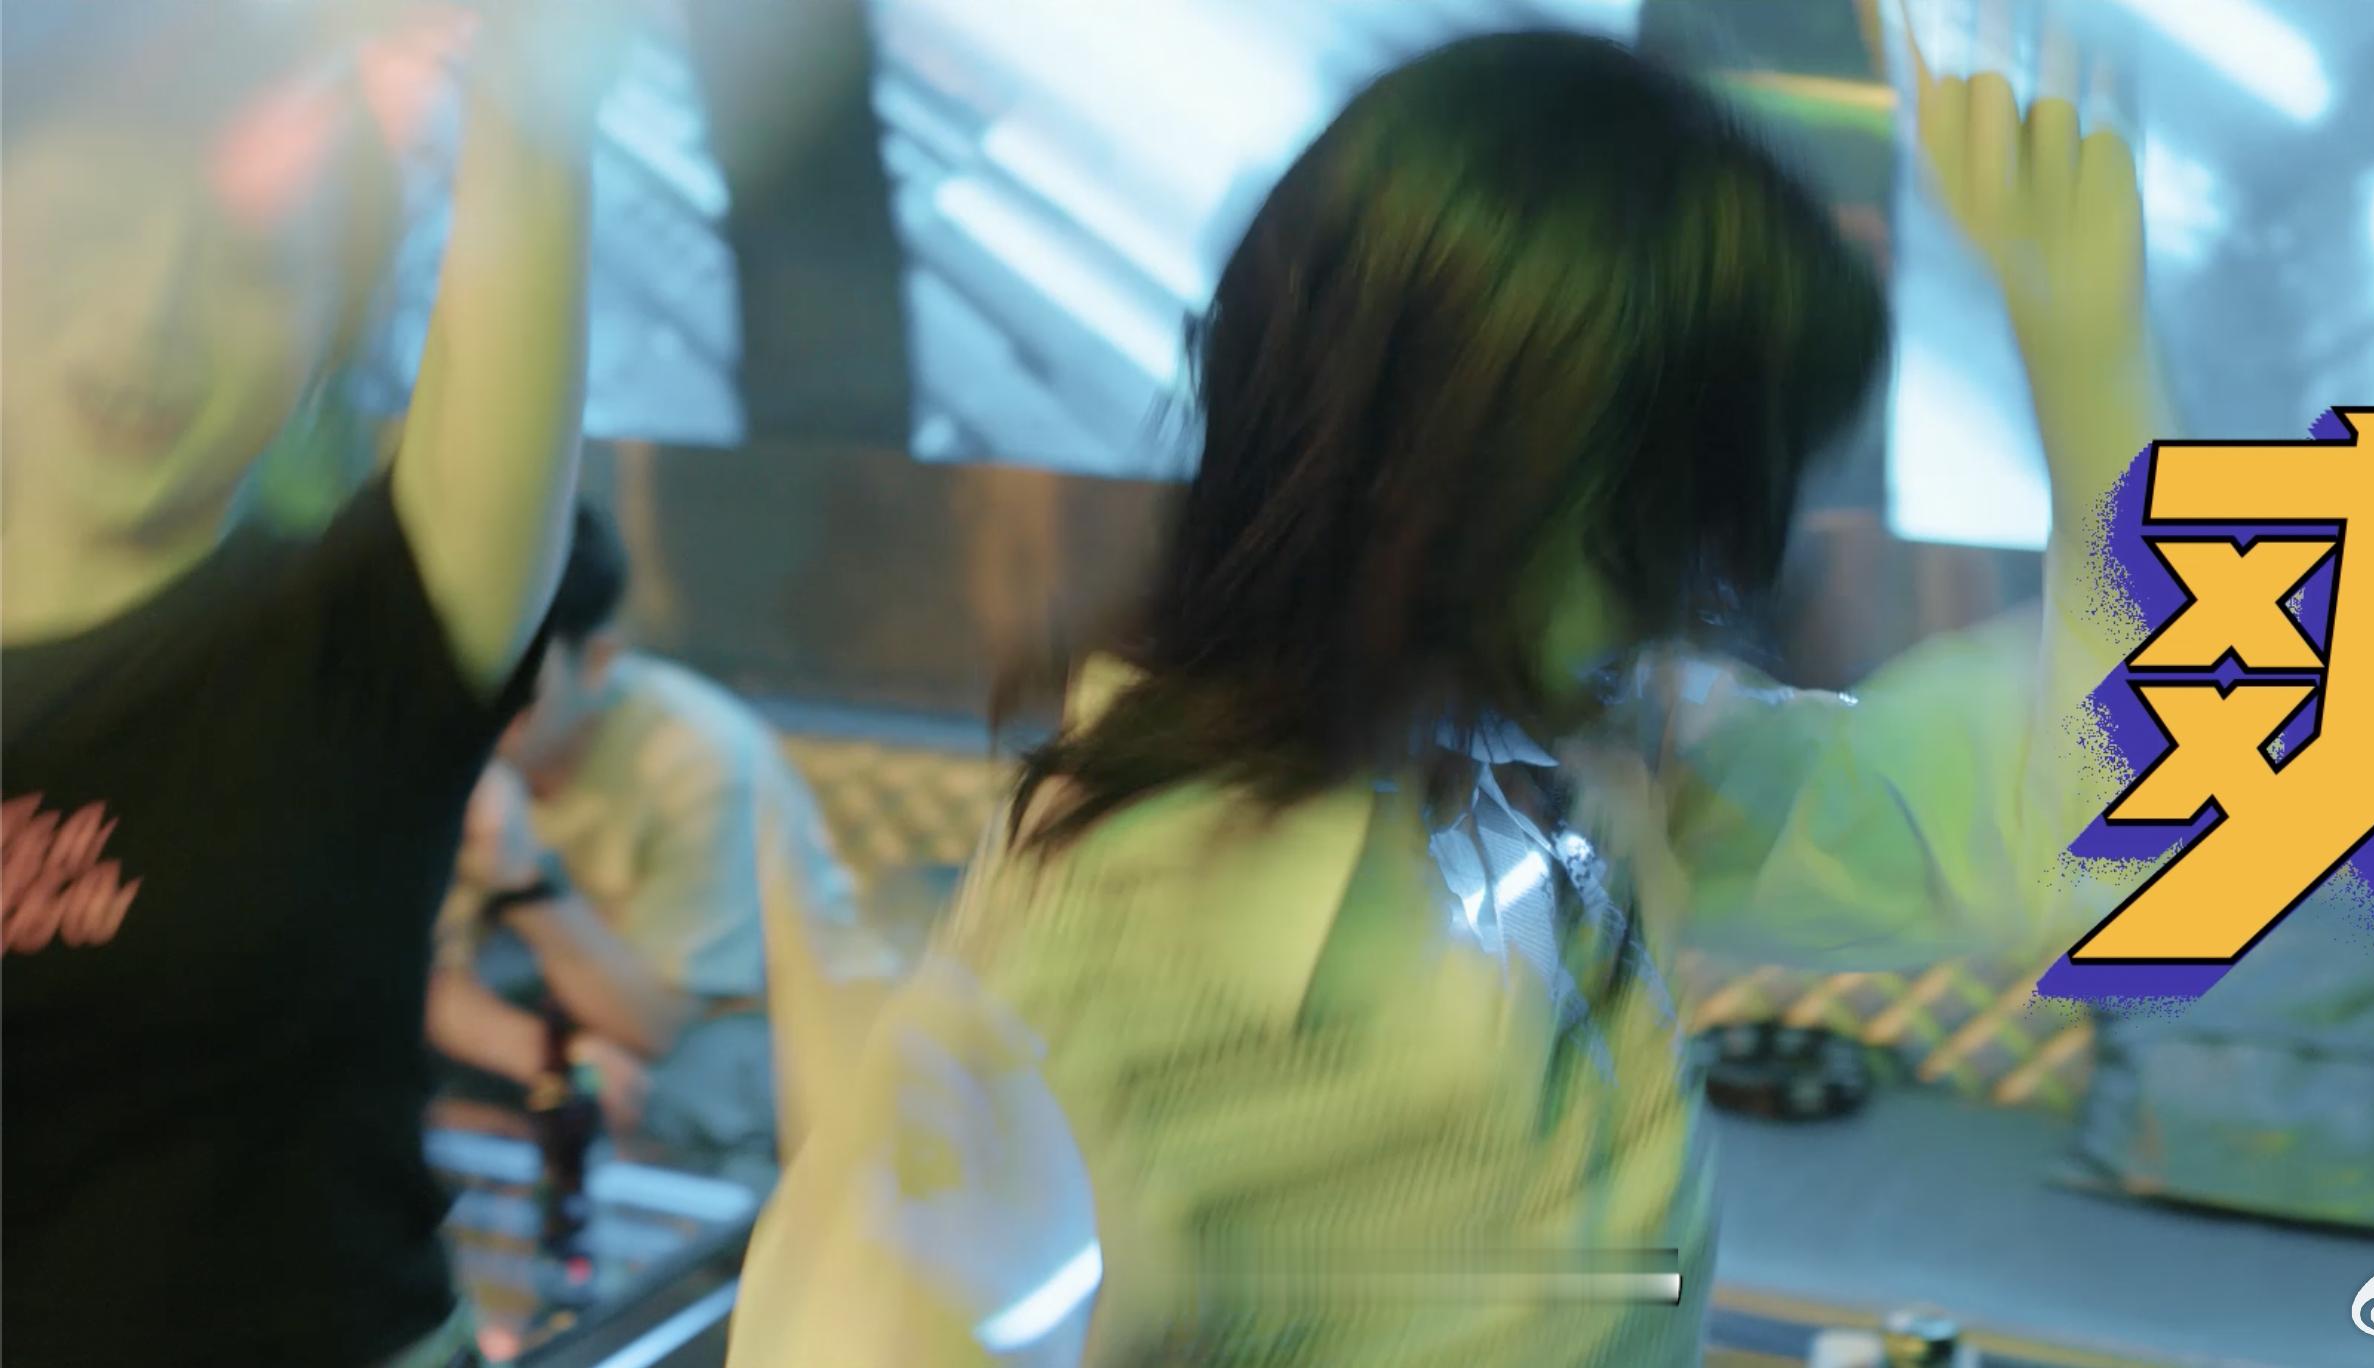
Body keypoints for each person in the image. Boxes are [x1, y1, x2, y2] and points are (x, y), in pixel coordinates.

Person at [730, 28, 2163, 1368]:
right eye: (1666, 519)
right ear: (1479, 483)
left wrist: (2088, 357)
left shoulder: (1566, 760)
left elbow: (2111, 825)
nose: (1694, 592)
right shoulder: (1134, 927)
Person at [0, 3, 606, 1365]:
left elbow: (539, 109)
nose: (150, 318)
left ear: (331, 332)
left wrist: (523, 75)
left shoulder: (369, 632)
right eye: (87, 235)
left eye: (252, 269)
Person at [429, 500, 891, 1175]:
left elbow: (657, 1025)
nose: (482, 711)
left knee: (646, 1103)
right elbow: (413, 975)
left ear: (597, 660)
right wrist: (550, 1055)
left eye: (515, 689)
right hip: (584, 1010)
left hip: (762, 1018)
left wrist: (523, 883)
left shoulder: (697, 758)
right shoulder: (449, 744)